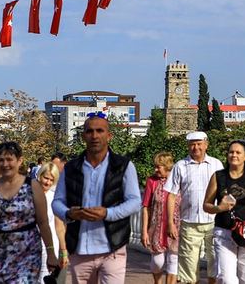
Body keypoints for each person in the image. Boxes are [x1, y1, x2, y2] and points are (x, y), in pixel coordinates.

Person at [52, 112, 141, 284]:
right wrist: (69, 213)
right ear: (83, 136)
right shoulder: (71, 168)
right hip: (80, 248)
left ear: (109, 135)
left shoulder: (123, 166)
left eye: (100, 131)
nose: (95, 136)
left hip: (112, 247)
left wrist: (107, 213)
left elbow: (135, 201)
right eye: (90, 131)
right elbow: (57, 202)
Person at [0, 142, 59, 282]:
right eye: (1, 160)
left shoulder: (32, 186)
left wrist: (51, 252)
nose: (5, 164)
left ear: (19, 160)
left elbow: (43, 222)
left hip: (27, 254)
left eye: (9, 159)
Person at [203, 140, 245, 284]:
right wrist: (219, 208)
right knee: (228, 279)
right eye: (231, 152)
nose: (234, 155)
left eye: (238, 152)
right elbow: (206, 205)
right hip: (224, 232)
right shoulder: (219, 176)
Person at [164, 131, 223, 284]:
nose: (195, 147)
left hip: (214, 222)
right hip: (189, 222)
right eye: (192, 144)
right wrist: (170, 223)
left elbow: (224, 192)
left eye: (199, 144)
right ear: (188, 146)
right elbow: (171, 195)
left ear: (206, 145)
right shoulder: (180, 166)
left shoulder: (216, 164)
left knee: (215, 263)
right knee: (187, 267)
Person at [141, 152, 180, 284]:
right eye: (155, 167)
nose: (155, 170)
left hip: (176, 227)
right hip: (156, 227)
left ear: (167, 166)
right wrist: (144, 231)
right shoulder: (152, 181)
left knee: (173, 261)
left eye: (159, 167)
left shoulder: (177, 181)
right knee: (157, 262)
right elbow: (145, 207)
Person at [37, 162, 69, 284]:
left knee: (44, 280)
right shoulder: (28, 194)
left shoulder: (55, 198)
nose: (48, 182)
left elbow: (59, 226)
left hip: (49, 247)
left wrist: (63, 251)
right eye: (46, 178)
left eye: (52, 180)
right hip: (30, 245)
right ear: (40, 175)